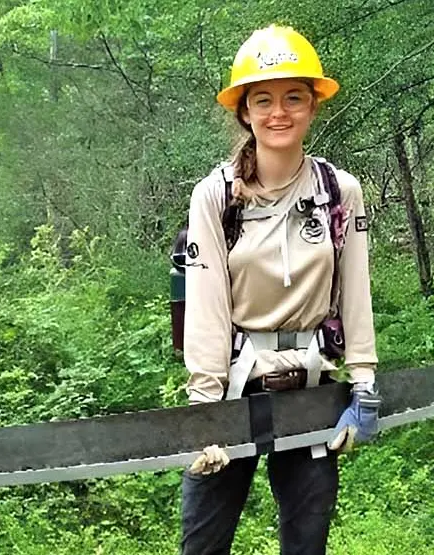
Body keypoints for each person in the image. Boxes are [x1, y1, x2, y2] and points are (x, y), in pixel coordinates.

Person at [179, 24, 382, 555]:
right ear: (244, 111)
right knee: (202, 543)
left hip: (313, 387)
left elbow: (355, 291)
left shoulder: (340, 191)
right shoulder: (215, 197)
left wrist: (364, 385)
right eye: (263, 99)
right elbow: (206, 309)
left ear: (313, 106)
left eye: (294, 97)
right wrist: (206, 413)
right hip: (232, 387)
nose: (279, 112)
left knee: (307, 540)